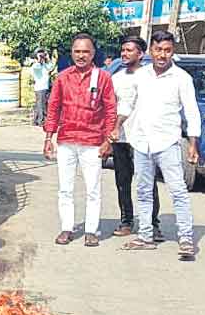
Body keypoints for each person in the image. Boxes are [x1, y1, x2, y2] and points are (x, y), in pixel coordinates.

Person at [122, 30, 201, 260]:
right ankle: (145, 236)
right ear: (150, 51)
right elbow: (127, 105)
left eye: (167, 50)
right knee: (144, 191)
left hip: (167, 143)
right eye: (158, 50)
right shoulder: (141, 76)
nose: (162, 55)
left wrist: (193, 144)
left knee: (178, 191)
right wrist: (117, 126)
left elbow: (192, 113)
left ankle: (186, 239)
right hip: (141, 142)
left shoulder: (182, 78)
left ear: (172, 51)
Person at [42, 33, 117, 248]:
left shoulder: (102, 78)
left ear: (93, 53)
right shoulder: (63, 77)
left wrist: (108, 139)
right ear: (72, 53)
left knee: (92, 188)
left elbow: (111, 110)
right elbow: (54, 108)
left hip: (92, 141)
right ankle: (67, 227)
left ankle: (91, 230)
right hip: (66, 140)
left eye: (86, 51)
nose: (81, 55)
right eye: (77, 51)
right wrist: (49, 137)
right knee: (65, 188)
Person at [110, 35, 161, 240]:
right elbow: (112, 105)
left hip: (143, 138)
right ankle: (126, 221)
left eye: (129, 50)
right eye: (123, 50)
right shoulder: (116, 78)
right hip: (120, 137)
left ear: (141, 54)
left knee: (147, 182)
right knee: (122, 181)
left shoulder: (150, 77)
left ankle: (152, 224)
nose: (125, 53)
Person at [30, 50, 53, 126]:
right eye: (40, 56)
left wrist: (47, 58)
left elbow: (51, 67)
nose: (42, 57)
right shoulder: (35, 65)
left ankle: (35, 120)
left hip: (45, 87)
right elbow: (37, 66)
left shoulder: (44, 65)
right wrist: (39, 59)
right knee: (41, 104)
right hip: (40, 88)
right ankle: (41, 120)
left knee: (39, 104)